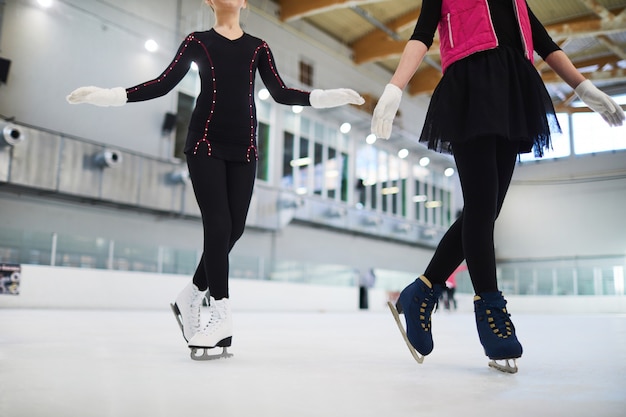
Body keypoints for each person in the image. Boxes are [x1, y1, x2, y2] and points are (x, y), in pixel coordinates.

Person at [67, 0, 364, 360]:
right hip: (204, 143)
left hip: (245, 150)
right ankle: (220, 312)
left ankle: (191, 294)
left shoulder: (258, 47)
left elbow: (282, 93)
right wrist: (111, 96)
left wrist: (326, 97)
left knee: (234, 228)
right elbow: (163, 84)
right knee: (219, 225)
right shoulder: (198, 41)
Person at [372, 0, 624, 373]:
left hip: (513, 89)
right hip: (470, 86)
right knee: (480, 204)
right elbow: (422, 34)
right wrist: (395, 86)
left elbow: (546, 44)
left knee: (486, 209)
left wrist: (583, 87)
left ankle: (421, 292)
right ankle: (490, 307)